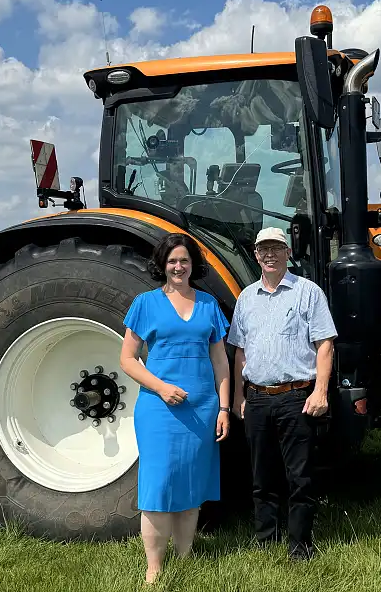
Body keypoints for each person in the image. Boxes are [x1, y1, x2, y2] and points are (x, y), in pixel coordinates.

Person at [119, 232, 231, 584]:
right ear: (162, 265)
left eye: (184, 260)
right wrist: (162, 388)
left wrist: (224, 407)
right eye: (172, 261)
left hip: (202, 407)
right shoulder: (145, 303)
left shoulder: (209, 304)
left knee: (192, 485)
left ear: (193, 264)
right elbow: (127, 359)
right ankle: (154, 568)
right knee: (158, 486)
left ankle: (185, 557)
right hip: (159, 408)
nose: (178, 267)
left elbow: (220, 362)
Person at [226, 226, 337, 561]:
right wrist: (238, 397)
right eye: (264, 249)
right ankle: (266, 540)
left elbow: (325, 344)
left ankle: (300, 545)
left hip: (295, 396)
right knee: (261, 476)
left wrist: (320, 391)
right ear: (256, 255)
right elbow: (240, 351)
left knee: (299, 477)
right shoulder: (247, 298)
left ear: (288, 252)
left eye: (276, 248)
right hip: (257, 398)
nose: (270, 255)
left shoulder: (308, 292)